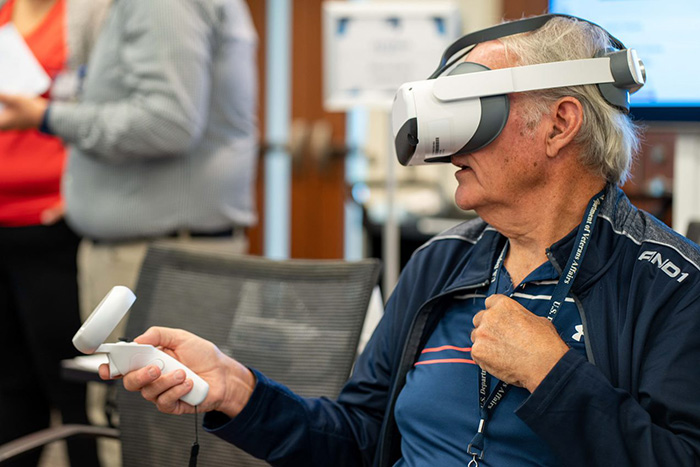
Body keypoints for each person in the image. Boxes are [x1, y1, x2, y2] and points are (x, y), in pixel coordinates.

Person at [101, 14, 700, 467]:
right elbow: (360, 439)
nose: (449, 151)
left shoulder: (670, 284)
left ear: (559, 124)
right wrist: (238, 391)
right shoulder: (443, 263)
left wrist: (553, 374)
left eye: (475, 112)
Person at [0, 0, 259, 325]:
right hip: (141, 252)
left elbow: (167, 124)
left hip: (159, 257)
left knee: (147, 377)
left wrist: (47, 116)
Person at [0, 0, 108, 465]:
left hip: (56, 229)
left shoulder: (83, 16)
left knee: (71, 388)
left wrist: (79, 199)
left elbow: (103, 116)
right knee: (9, 388)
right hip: (2, 229)